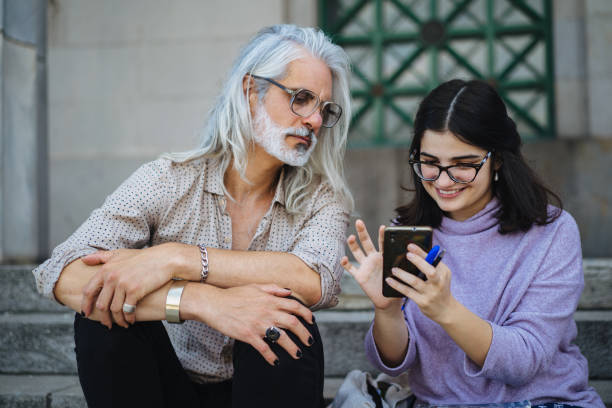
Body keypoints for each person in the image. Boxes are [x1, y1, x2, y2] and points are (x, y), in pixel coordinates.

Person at [33, 24, 353, 408]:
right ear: (251, 92)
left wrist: (176, 258)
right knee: (101, 314)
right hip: (167, 388)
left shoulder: (323, 197)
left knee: (284, 318)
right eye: (301, 99)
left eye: (324, 108)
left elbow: (315, 279)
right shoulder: (168, 179)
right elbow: (63, 273)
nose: (315, 121)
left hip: (265, 388)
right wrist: (201, 301)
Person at [341, 79, 604, 407]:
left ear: (497, 160)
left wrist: (446, 309)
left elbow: (524, 361)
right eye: (430, 163)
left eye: (464, 165)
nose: (444, 181)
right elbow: (394, 361)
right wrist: (388, 311)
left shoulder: (552, 232)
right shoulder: (409, 232)